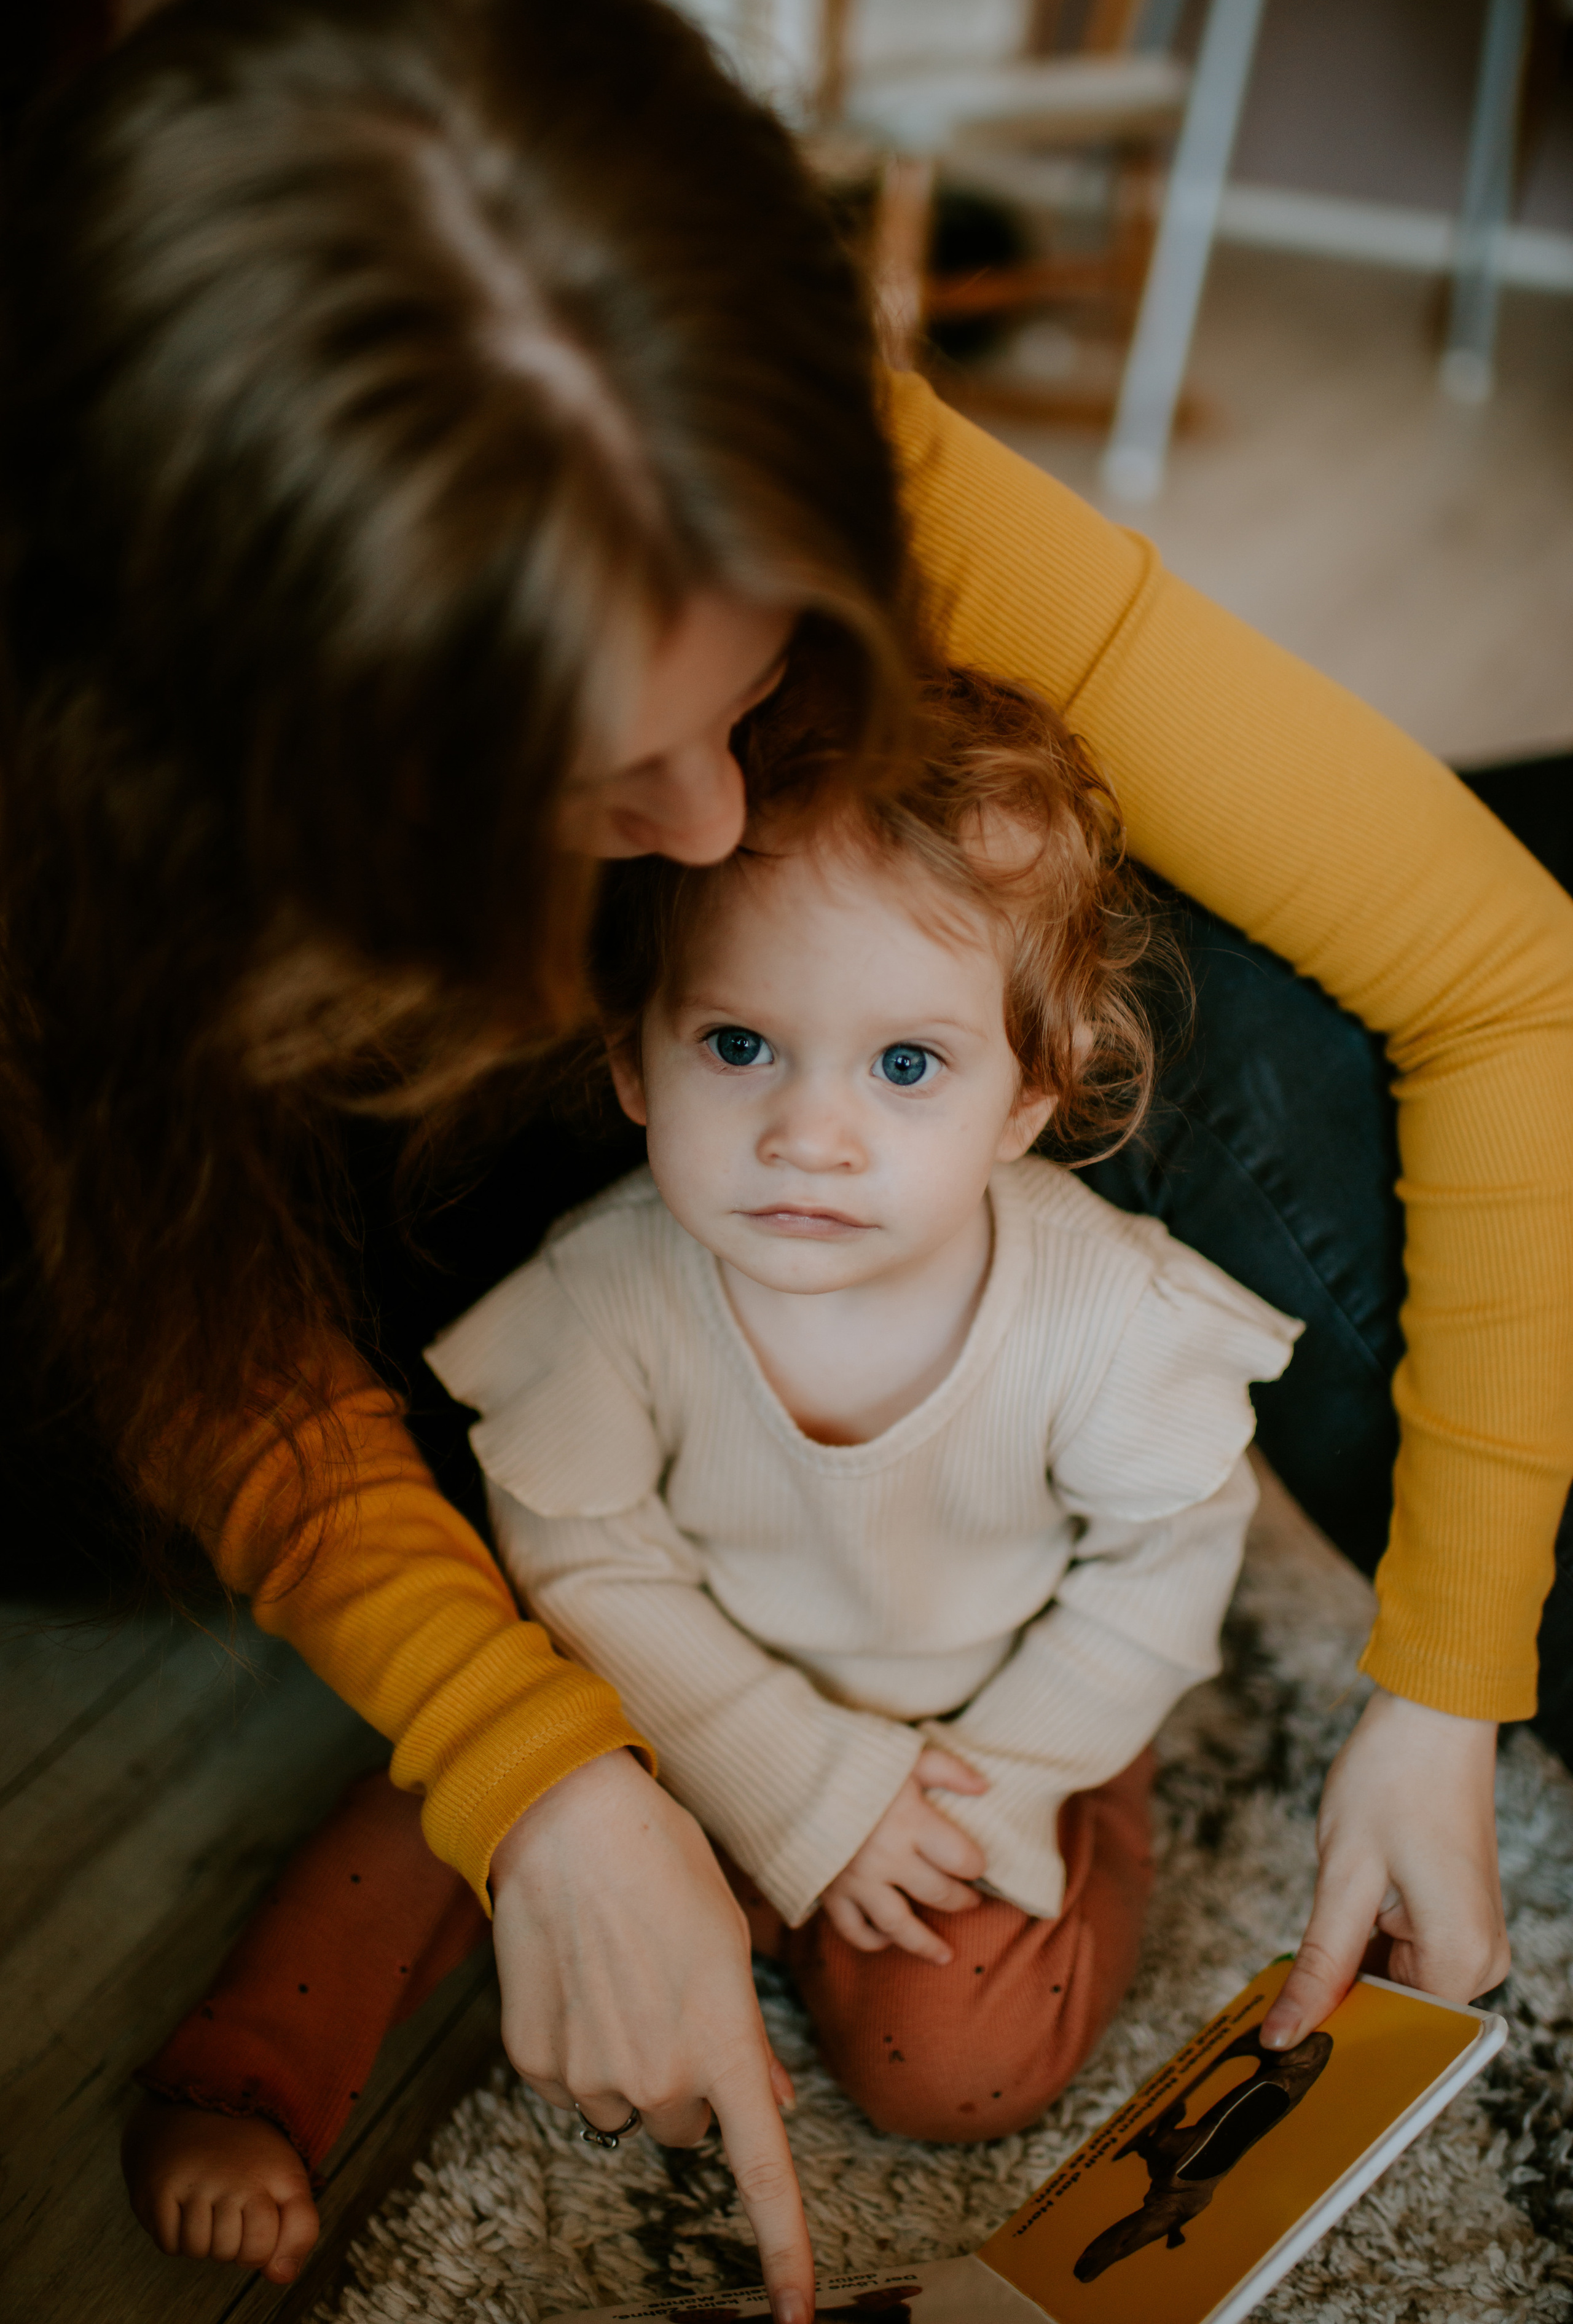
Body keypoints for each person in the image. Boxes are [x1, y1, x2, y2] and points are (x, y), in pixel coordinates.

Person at [3, 0, 1568, 2312]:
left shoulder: (788, 452)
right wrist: (523, 1753)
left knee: (1174, 937)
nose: (708, 817)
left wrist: (1443, 1690)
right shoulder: (116, 849)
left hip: (815, 1278)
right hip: (368, 1288)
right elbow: (178, 1301)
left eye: (747, 701)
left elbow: (1488, 961)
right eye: (590, 782)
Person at [126, 665, 1299, 2257]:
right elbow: (584, 1560)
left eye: (903, 1067)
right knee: (438, 1806)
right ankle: (257, 2073)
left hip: (974, 1728)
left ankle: (896, 1884)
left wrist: (1007, 1783)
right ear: (631, 1061)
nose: (809, 1133)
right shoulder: (608, 1293)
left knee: (951, 2059)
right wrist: (790, 1784)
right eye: (741, 1043)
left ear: (1029, 1095)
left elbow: (1164, 1565)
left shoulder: (1101, 1311)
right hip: (678, 1697)